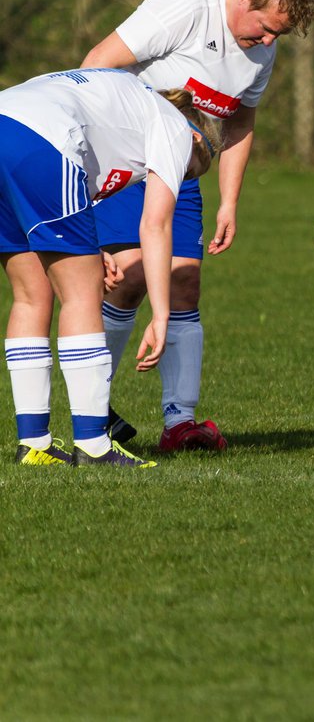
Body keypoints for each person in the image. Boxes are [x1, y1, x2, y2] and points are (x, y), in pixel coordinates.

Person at [81, 0, 314, 453]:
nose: (268, 42)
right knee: (130, 277)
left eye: (279, 35)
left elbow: (239, 122)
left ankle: (179, 422)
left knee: (184, 281)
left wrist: (229, 201)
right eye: (264, 30)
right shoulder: (183, 7)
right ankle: (91, 410)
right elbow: (94, 66)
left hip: (184, 168)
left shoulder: (261, 45)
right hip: (126, 162)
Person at [0, 69, 221, 467]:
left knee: (31, 295)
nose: (181, 177)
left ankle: (33, 442)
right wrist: (161, 313)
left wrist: (90, 249)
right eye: (189, 171)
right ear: (196, 140)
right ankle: (94, 444)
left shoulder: (130, 109)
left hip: (8, 122)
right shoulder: (173, 128)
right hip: (46, 138)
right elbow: (155, 226)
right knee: (82, 296)